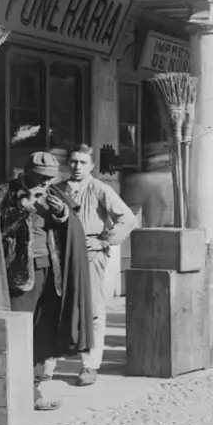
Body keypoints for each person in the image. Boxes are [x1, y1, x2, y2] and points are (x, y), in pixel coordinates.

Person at [0, 149, 92, 412]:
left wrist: (62, 216)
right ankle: (22, 392)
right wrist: (21, 210)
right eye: (42, 179)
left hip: (50, 273)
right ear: (28, 173)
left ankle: (33, 386)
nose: (46, 184)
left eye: (50, 179)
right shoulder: (5, 194)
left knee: (41, 332)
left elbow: (72, 229)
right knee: (20, 333)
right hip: (18, 276)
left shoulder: (54, 194)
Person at [58, 145, 135, 386]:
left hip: (91, 256)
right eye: (73, 162)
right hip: (62, 256)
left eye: (83, 162)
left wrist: (103, 241)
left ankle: (89, 365)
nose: (77, 167)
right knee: (59, 308)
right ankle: (48, 365)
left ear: (91, 166)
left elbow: (128, 219)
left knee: (91, 310)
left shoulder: (100, 189)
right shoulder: (58, 190)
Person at [120, 143, 175, 229]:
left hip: (148, 235)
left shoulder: (138, 181)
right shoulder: (180, 181)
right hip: (177, 234)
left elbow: (128, 214)